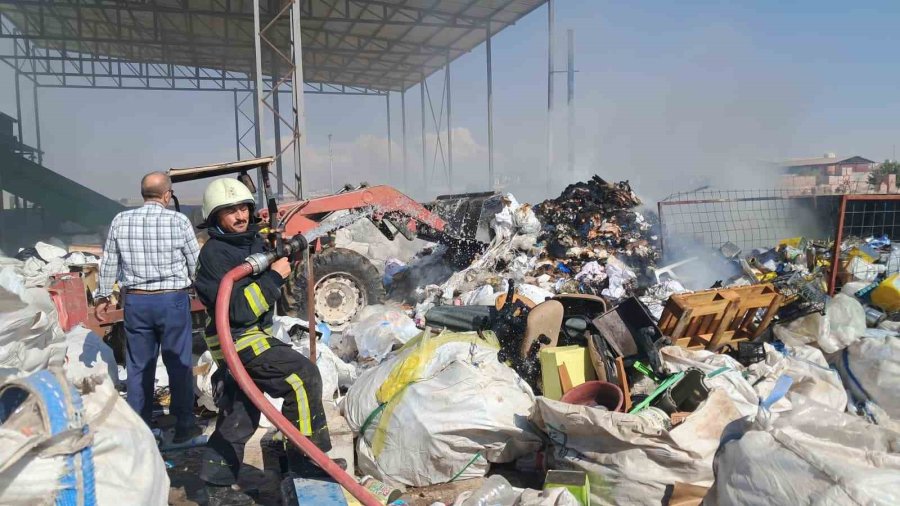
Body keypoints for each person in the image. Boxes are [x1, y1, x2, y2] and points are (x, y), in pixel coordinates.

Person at [193, 178, 342, 491]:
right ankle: (306, 463)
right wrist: (274, 275)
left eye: (243, 208)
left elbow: (269, 278)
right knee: (302, 377)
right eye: (229, 210)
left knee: (240, 413)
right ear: (214, 217)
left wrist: (288, 255)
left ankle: (216, 485)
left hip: (252, 334)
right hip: (237, 339)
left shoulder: (249, 242)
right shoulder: (215, 255)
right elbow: (237, 309)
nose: (240, 215)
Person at [97, 172, 201, 443]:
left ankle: (140, 431)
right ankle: (185, 427)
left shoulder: (121, 220)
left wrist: (102, 296)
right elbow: (195, 264)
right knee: (179, 363)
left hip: (137, 302)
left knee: (139, 367)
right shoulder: (178, 221)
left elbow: (109, 262)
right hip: (172, 300)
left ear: (143, 193)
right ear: (167, 195)